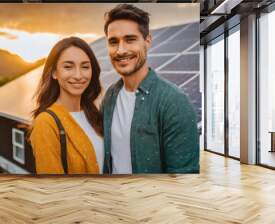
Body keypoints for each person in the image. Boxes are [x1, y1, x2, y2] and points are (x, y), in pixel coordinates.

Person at [101, 4, 199, 174]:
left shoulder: (174, 102)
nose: (120, 50)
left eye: (130, 39)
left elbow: (183, 179)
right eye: (113, 41)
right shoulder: (110, 96)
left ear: (147, 41)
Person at [30, 37, 104, 174]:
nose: (78, 75)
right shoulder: (46, 123)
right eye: (68, 67)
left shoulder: (94, 114)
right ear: (54, 73)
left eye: (85, 67)